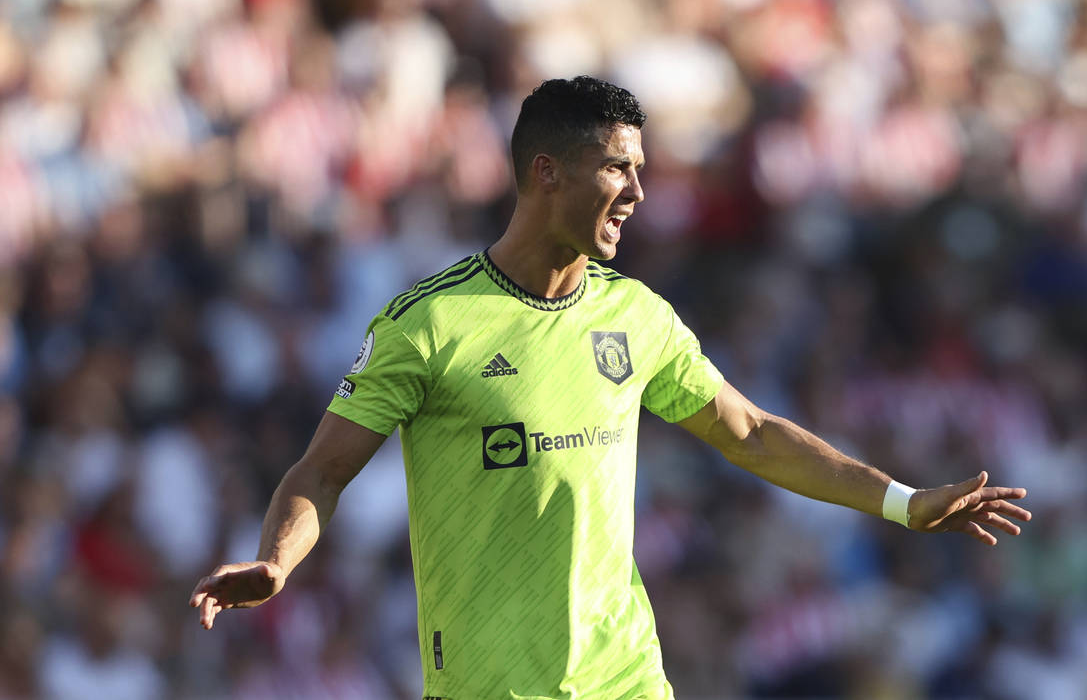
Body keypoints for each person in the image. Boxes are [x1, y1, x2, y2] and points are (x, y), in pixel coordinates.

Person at [189, 76, 1030, 699]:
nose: (636, 191)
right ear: (547, 171)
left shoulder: (635, 315)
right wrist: (277, 556)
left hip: (624, 673)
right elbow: (323, 469)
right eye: (617, 168)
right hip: (492, 684)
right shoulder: (430, 324)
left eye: (641, 170)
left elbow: (750, 432)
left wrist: (902, 501)